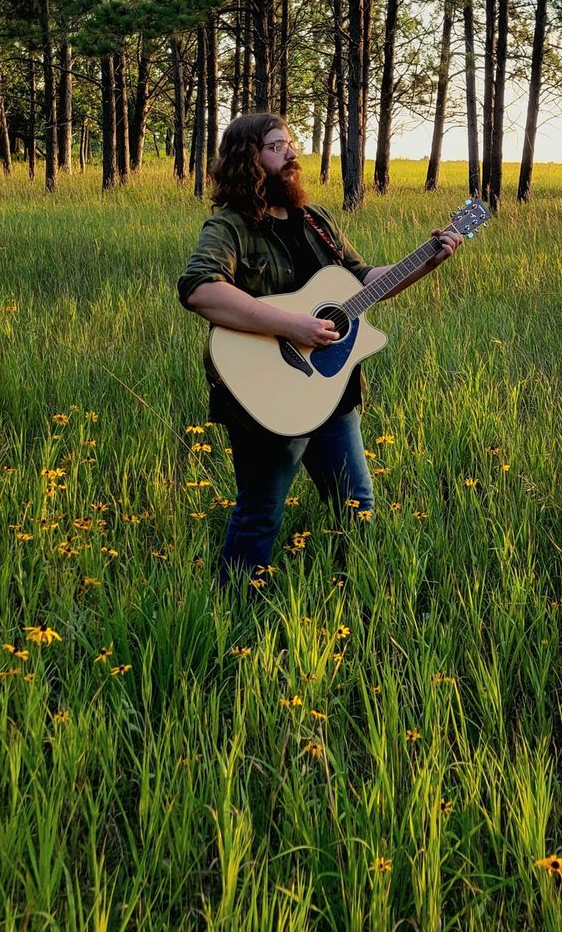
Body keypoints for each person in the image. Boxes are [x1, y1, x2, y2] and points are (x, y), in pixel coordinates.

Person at [177, 112, 462, 586]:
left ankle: (357, 597)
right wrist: (294, 326)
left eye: (290, 143)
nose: (291, 153)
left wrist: (425, 261)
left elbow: (364, 281)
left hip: (332, 389)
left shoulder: (316, 221)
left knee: (357, 506)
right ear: (249, 158)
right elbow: (200, 290)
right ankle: (232, 614)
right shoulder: (229, 227)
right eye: (275, 146)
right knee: (260, 515)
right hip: (267, 395)